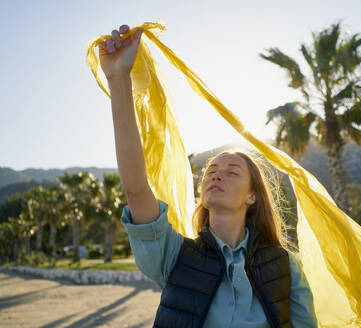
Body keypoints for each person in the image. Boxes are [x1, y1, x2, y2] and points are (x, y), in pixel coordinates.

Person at [99, 24, 318, 328]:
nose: (216, 176)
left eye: (232, 172)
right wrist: (118, 78)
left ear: (252, 196)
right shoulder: (174, 255)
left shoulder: (285, 266)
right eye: (211, 170)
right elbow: (136, 189)